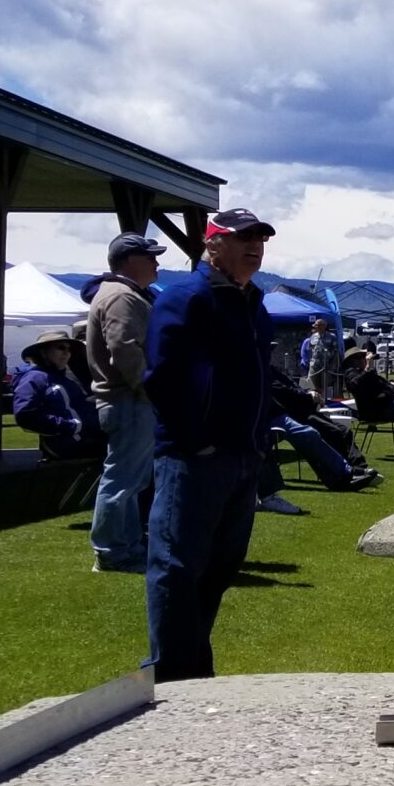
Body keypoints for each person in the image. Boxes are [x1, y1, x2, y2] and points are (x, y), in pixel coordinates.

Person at [142, 207, 279, 681]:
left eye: (260, 239)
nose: (254, 246)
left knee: (220, 567)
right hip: (195, 458)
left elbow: (258, 376)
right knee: (178, 568)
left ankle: (193, 670)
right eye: (243, 238)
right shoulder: (188, 297)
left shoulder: (251, 301)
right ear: (212, 243)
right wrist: (194, 442)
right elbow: (163, 378)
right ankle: (169, 676)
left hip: (243, 455)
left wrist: (258, 440)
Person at [81, 231, 166, 571]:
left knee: (130, 480)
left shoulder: (122, 293)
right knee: (123, 480)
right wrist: (152, 392)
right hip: (129, 400)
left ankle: (126, 547)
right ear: (130, 261)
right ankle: (112, 551)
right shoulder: (121, 296)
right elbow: (125, 350)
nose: (157, 262)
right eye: (150, 256)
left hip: (127, 400)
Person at [264, 371, 381, 493]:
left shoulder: (270, 370)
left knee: (342, 431)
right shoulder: (263, 372)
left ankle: (358, 468)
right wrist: (308, 395)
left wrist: (309, 392)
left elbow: (292, 386)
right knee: (315, 432)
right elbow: (283, 392)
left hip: (289, 412)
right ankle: (342, 475)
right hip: (283, 414)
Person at [12, 328, 105, 461]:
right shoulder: (35, 377)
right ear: (43, 352)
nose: (66, 353)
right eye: (61, 347)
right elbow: (25, 415)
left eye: (69, 349)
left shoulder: (67, 379)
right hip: (67, 445)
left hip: (86, 439)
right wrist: (71, 425)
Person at [342, 346, 394, 430]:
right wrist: (368, 368)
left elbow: (385, 383)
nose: (364, 359)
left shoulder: (368, 373)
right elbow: (357, 384)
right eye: (361, 357)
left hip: (388, 406)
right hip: (380, 411)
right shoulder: (350, 374)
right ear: (353, 361)